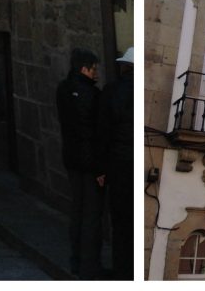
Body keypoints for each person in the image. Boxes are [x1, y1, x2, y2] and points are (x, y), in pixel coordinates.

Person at [56, 48, 105, 279]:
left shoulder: (63, 89)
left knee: (77, 211)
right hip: (88, 163)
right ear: (84, 68)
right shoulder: (91, 94)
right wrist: (99, 168)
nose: (96, 73)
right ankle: (89, 267)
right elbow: (91, 134)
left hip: (71, 159)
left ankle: (76, 261)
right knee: (91, 216)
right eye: (94, 68)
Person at [100, 47, 133, 279]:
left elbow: (103, 131)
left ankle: (122, 271)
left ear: (124, 67)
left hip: (118, 163)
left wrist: (101, 168)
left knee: (120, 221)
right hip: (133, 161)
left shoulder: (111, 91)